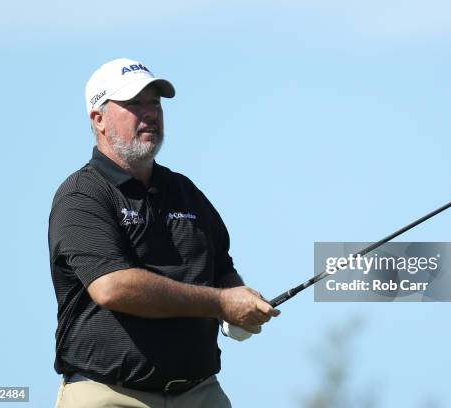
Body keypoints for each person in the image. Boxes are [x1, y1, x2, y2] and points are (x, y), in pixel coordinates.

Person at [49, 58, 279, 408]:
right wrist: (219, 302)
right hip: (109, 395)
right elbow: (113, 287)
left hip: (199, 393)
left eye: (154, 102)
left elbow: (221, 270)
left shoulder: (185, 191)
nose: (150, 113)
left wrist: (239, 303)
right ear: (98, 119)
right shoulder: (82, 195)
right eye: (133, 104)